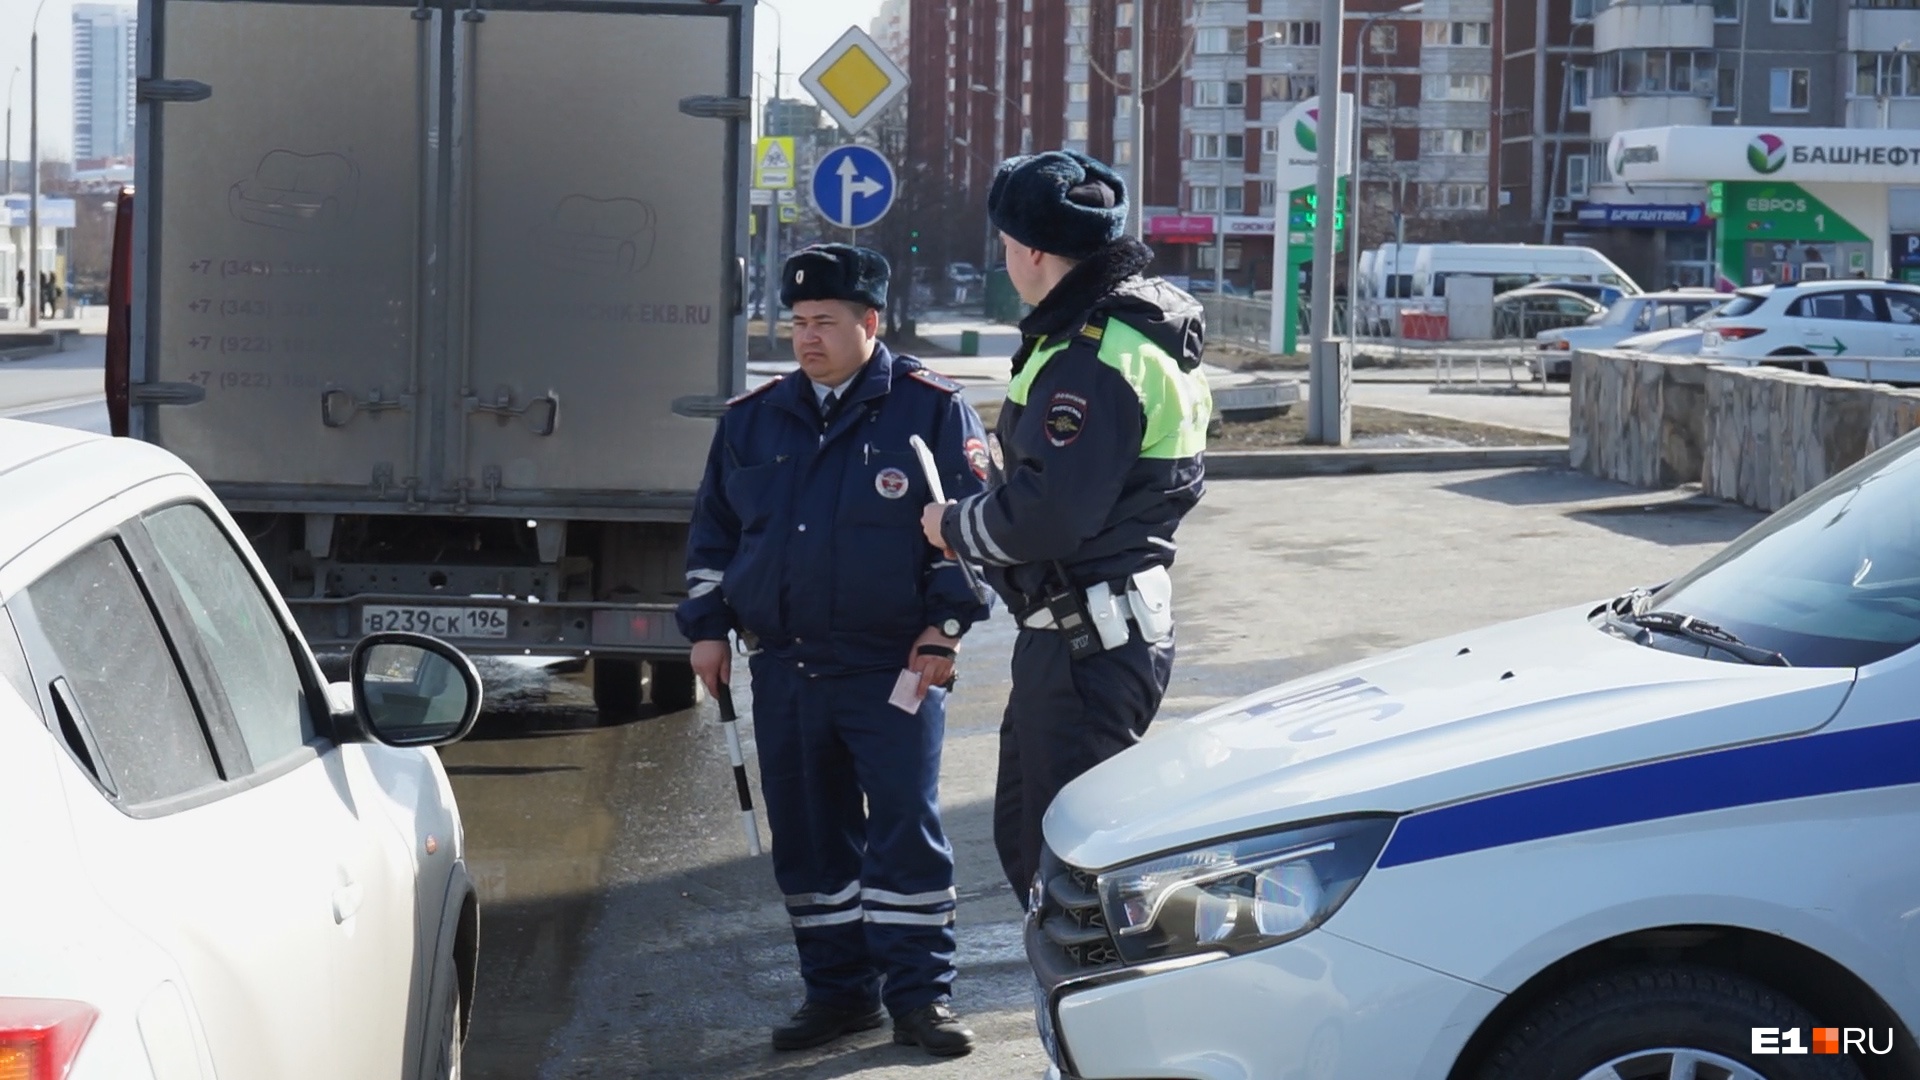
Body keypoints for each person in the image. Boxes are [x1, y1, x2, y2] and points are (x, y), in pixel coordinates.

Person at [677, 244, 992, 1058]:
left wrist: (944, 630)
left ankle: (921, 1000)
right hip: (785, 667)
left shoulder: (930, 410)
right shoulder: (752, 419)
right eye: (797, 323)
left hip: (893, 665)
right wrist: (707, 627)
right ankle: (840, 995)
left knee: (902, 833)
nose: (806, 338)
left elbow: (968, 533)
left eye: (824, 323)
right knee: (811, 840)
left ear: (870, 323)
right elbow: (713, 534)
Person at [920, 150, 1213, 906]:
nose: (1006, 259)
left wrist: (952, 523)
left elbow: (1049, 518)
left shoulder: (1090, 355)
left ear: (1035, 251)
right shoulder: (1117, 334)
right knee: (1038, 848)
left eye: (1007, 245)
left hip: (1087, 645)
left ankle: (1109, 1017)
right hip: (1088, 633)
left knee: (1074, 877)